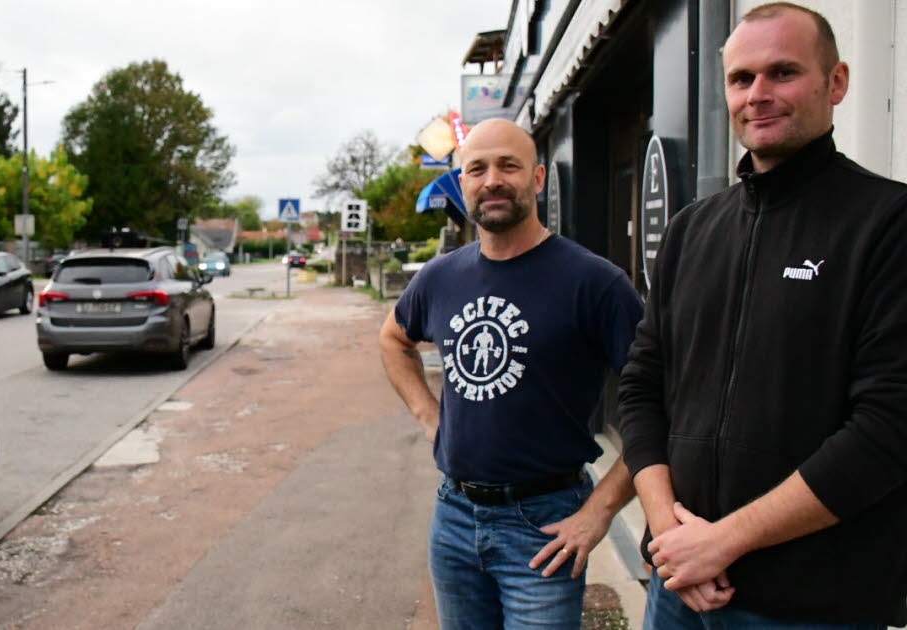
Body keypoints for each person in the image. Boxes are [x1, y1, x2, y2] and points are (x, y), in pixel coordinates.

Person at [618, 3, 907, 628]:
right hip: (679, 590)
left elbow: (889, 427)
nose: (758, 95)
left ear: (836, 83)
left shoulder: (886, 223)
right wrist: (671, 534)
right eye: (741, 79)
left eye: (783, 72)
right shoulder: (693, 229)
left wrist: (723, 541)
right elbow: (642, 388)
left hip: (814, 606)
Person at [378, 118, 643, 628]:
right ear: (462, 184)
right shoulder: (440, 276)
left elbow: (662, 401)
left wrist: (601, 510)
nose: (492, 179)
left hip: (546, 524)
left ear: (538, 179)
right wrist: (428, 416)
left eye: (509, 165)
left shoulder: (595, 283)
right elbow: (393, 338)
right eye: (476, 169)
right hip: (454, 516)